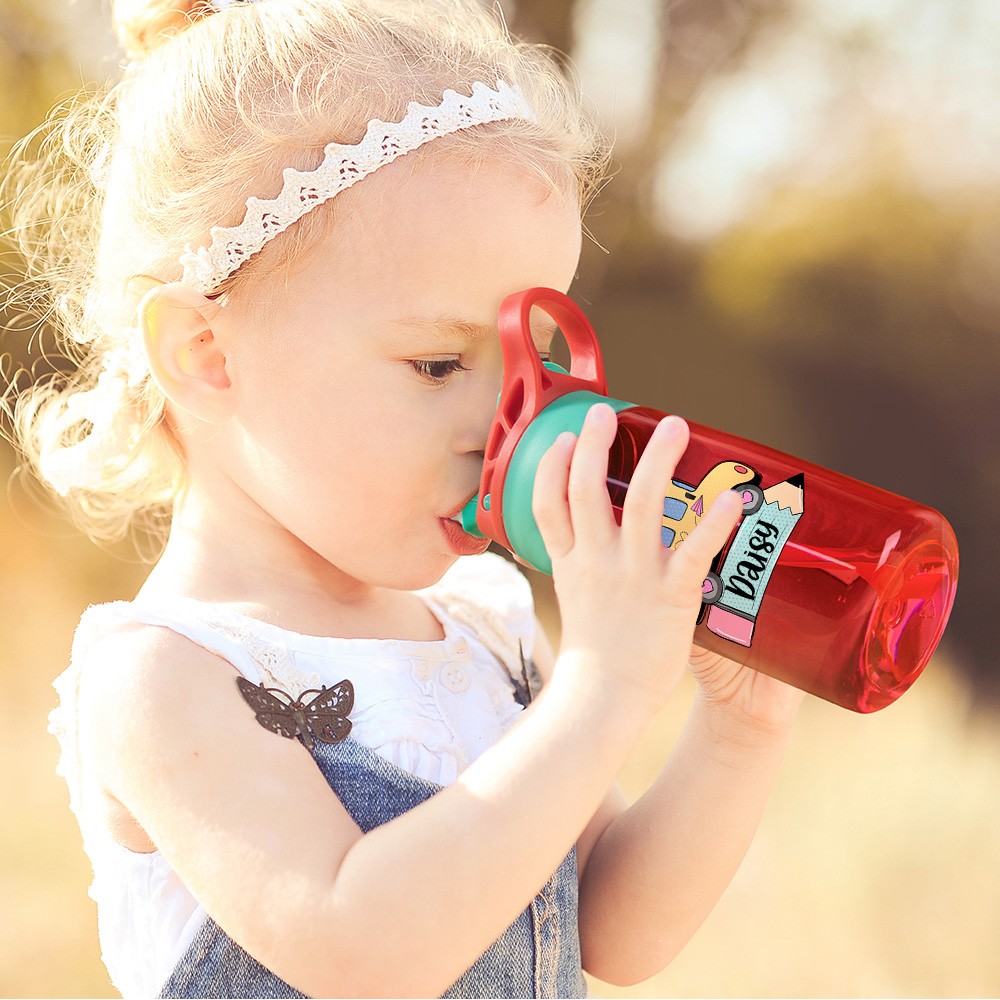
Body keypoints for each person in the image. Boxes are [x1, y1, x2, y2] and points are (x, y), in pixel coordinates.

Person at [4, 1, 803, 996]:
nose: (503, 423)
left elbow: (609, 930)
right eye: (436, 363)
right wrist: (602, 690)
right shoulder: (167, 678)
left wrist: (737, 731)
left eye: (529, 366)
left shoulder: (484, 632)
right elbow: (360, 949)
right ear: (207, 355)